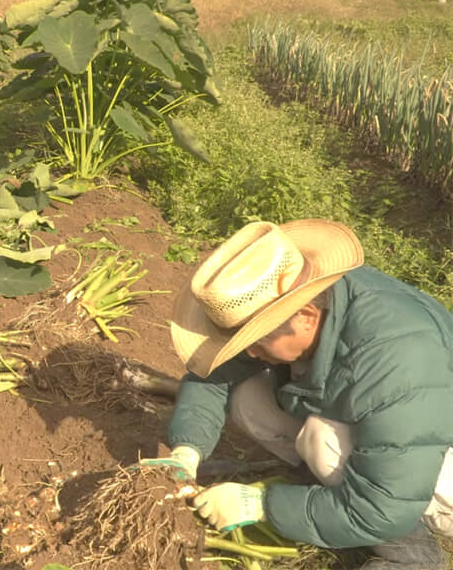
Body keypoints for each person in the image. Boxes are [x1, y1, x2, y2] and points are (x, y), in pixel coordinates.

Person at [148, 219, 453, 569]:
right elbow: (217, 373)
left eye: (256, 340)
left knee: (322, 440)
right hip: (399, 433)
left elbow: (384, 505)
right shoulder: (320, 298)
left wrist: (262, 505)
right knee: (249, 396)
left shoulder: (397, 360)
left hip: (434, 463)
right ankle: (324, 494)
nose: (248, 353)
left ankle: (415, 554)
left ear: (306, 317)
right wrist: (187, 450)